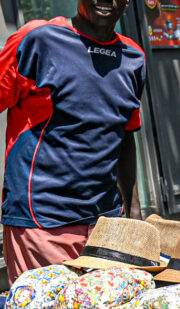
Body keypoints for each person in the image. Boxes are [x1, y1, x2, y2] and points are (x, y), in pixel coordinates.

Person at [0, 0, 146, 285]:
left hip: (106, 225)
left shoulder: (133, 57)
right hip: (41, 222)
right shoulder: (36, 40)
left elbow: (125, 136)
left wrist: (133, 215)